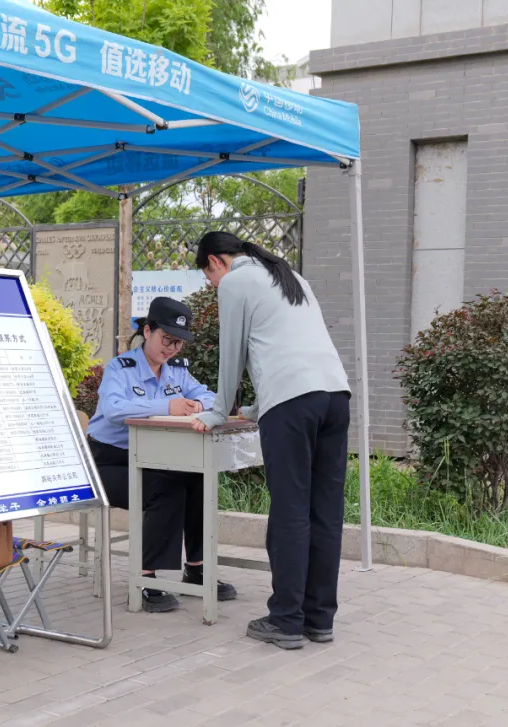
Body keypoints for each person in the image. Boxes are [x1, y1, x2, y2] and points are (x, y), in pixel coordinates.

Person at [191, 231, 350, 650]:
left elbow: (233, 354)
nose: (212, 284)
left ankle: (285, 620)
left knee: (290, 512)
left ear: (216, 261)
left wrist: (218, 411)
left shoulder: (235, 282)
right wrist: (258, 408)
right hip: (335, 397)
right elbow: (290, 347)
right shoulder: (290, 275)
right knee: (325, 513)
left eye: (208, 277)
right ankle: (319, 619)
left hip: (293, 405)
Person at [87, 296, 238, 613]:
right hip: (108, 461)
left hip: (152, 457)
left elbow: (210, 397)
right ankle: (145, 578)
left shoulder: (177, 372)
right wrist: (167, 406)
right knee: (165, 487)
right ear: (147, 330)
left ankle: (196, 569)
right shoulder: (121, 368)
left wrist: (198, 404)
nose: (171, 349)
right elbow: (114, 409)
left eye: (178, 343)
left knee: (197, 479)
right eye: (166, 339)